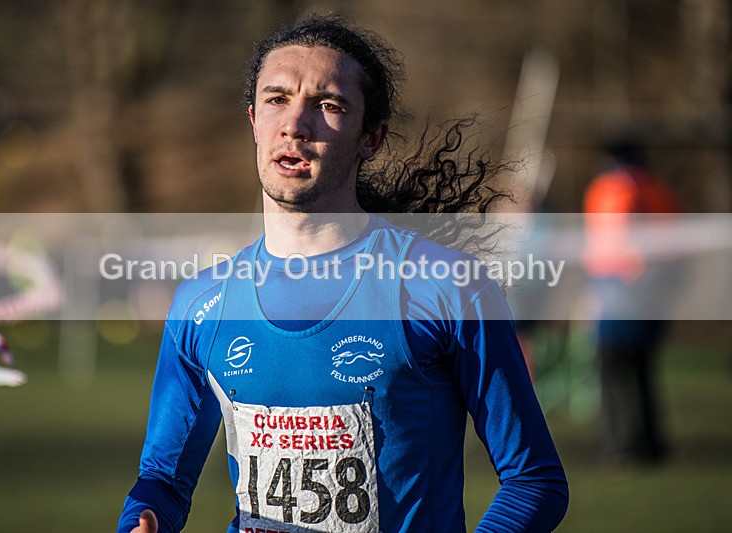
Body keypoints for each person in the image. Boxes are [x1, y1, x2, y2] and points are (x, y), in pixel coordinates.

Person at [118, 14, 568, 533]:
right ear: (253, 120)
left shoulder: (445, 288)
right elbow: (163, 480)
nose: (295, 124)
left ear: (370, 138)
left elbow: (534, 480)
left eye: (328, 106)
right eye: (276, 99)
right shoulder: (202, 305)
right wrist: (143, 518)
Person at [583, 133, 679, 465]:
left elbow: (610, 244)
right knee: (642, 371)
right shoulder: (657, 187)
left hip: (619, 288)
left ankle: (619, 446)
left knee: (611, 370)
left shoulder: (612, 188)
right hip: (653, 291)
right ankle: (651, 444)